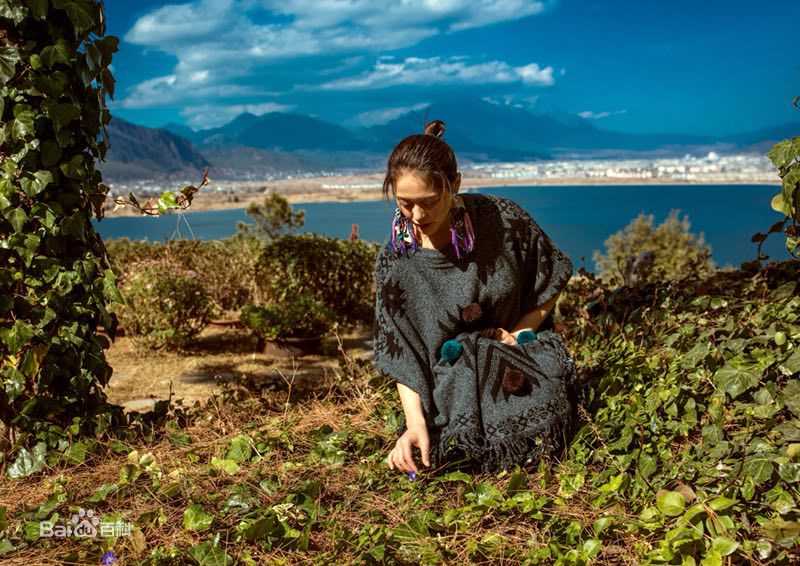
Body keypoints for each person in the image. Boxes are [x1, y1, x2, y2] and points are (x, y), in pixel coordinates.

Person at [373, 118, 578, 475]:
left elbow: (552, 273)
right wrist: (414, 424)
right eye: (405, 204)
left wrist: (521, 332)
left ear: (455, 184)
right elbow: (404, 353)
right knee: (446, 446)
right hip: (449, 386)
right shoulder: (396, 263)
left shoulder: (503, 220)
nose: (417, 216)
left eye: (429, 202)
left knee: (545, 403)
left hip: (519, 358)